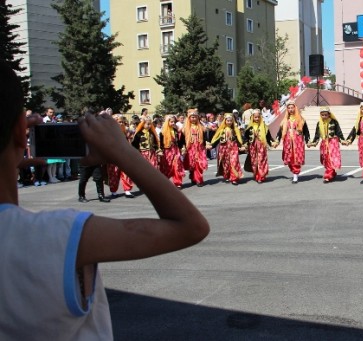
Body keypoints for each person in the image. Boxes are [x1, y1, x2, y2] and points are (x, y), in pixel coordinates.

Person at [0, 61, 209, 339]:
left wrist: (14, 154)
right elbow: (190, 227)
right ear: (19, 131)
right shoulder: (54, 234)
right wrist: (120, 151)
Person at [271, 100, 310, 184]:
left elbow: (306, 131)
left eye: (292, 108)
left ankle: (295, 175)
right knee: (289, 159)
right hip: (288, 142)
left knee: (295, 158)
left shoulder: (301, 119)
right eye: (289, 108)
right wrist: (277, 141)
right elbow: (280, 132)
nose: (291, 109)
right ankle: (294, 171)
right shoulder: (285, 120)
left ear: (295, 108)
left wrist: (308, 140)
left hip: (297, 142)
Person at [308, 106, 347, 183]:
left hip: (333, 143)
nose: (324, 116)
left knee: (331, 158)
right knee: (325, 159)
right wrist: (313, 143)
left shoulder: (334, 122)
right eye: (322, 115)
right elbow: (317, 135)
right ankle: (332, 172)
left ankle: (328, 175)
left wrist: (342, 140)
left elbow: (339, 132)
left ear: (329, 114)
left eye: (326, 115)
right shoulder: (319, 123)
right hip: (324, 143)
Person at [207, 113, 244, 185]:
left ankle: (234, 178)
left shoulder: (235, 130)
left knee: (234, 162)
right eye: (228, 121)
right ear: (225, 121)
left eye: (231, 121)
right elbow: (217, 139)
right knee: (226, 163)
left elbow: (239, 138)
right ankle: (227, 175)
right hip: (224, 149)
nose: (229, 122)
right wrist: (212, 146)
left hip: (233, 148)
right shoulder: (222, 130)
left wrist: (242, 146)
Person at [243, 109, 275, 183]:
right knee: (254, 161)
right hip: (253, 147)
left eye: (258, 117)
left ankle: (261, 175)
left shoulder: (264, 127)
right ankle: (256, 174)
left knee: (261, 160)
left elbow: (268, 137)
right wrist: (245, 144)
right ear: (252, 118)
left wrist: (272, 143)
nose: (257, 119)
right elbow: (245, 137)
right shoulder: (249, 127)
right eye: (255, 117)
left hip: (261, 147)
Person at [107, 115, 135, 198]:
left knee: (126, 173)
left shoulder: (125, 131)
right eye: (119, 122)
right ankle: (113, 191)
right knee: (114, 174)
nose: (121, 123)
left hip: (124, 155)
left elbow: (132, 136)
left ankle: (127, 190)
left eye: (122, 122)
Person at [182, 109, 209, 187]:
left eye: (195, 117)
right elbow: (182, 139)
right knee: (192, 164)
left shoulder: (201, 127)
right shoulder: (186, 128)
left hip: (199, 148)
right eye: (192, 117)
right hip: (190, 148)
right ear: (189, 118)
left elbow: (205, 138)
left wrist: (207, 143)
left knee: (199, 164)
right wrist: (183, 147)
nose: (193, 119)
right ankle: (193, 177)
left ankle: (199, 180)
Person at [159, 115, 185, 188]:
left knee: (177, 166)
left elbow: (179, 141)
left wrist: (182, 148)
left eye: (174, 122)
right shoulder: (162, 132)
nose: (173, 123)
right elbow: (161, 143)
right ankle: (166, 182)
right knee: (167, 167)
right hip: (167, 151)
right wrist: (160, 150)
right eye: (171, 122)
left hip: (175, 150)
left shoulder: (175, 130)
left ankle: (178, 182)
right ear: (167, 122)